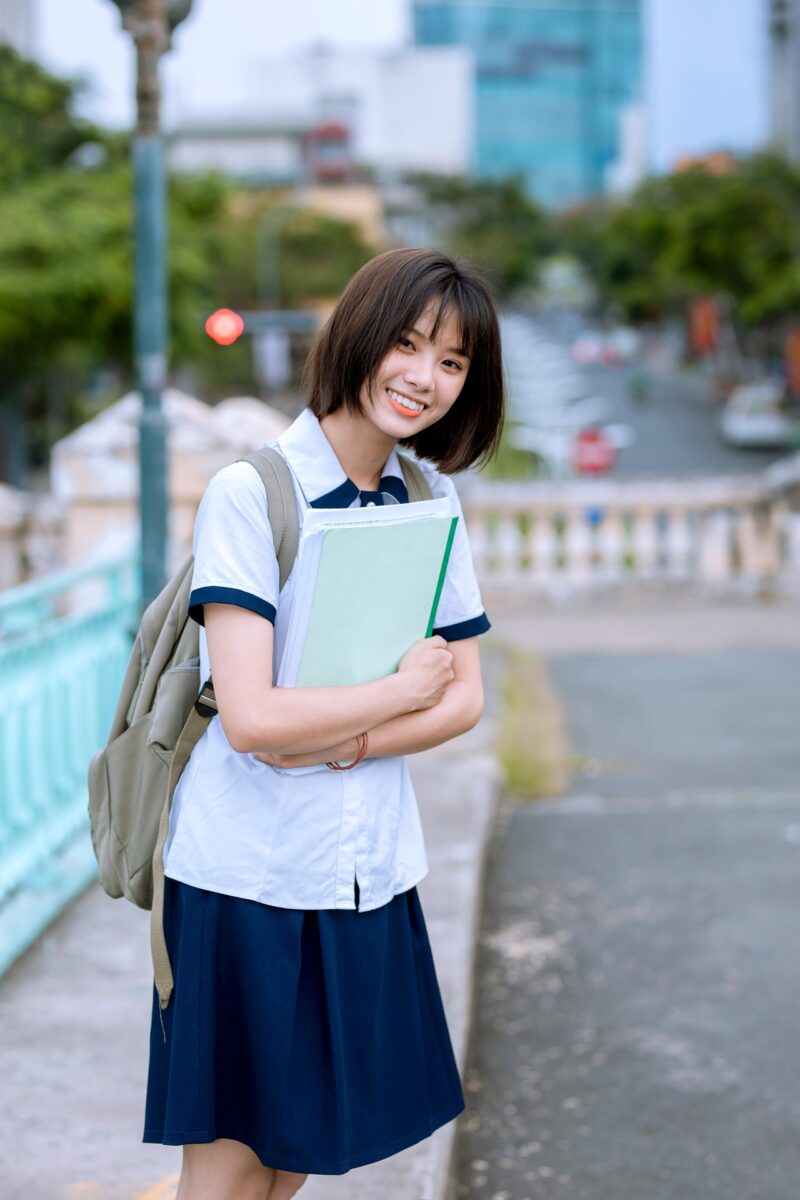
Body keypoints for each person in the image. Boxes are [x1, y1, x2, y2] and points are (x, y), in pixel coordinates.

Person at [142, 247, 505, 1200]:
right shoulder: (251, 494)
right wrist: (395, 693)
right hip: (244, 877)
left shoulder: (430, 498)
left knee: (298, 1155)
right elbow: (254, 719)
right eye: (409, 343)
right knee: (227, 1170)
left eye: (454, 362)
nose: (425, 377)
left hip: (364, 871)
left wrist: (341, 743)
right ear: (359, 337)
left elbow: (465, 697)